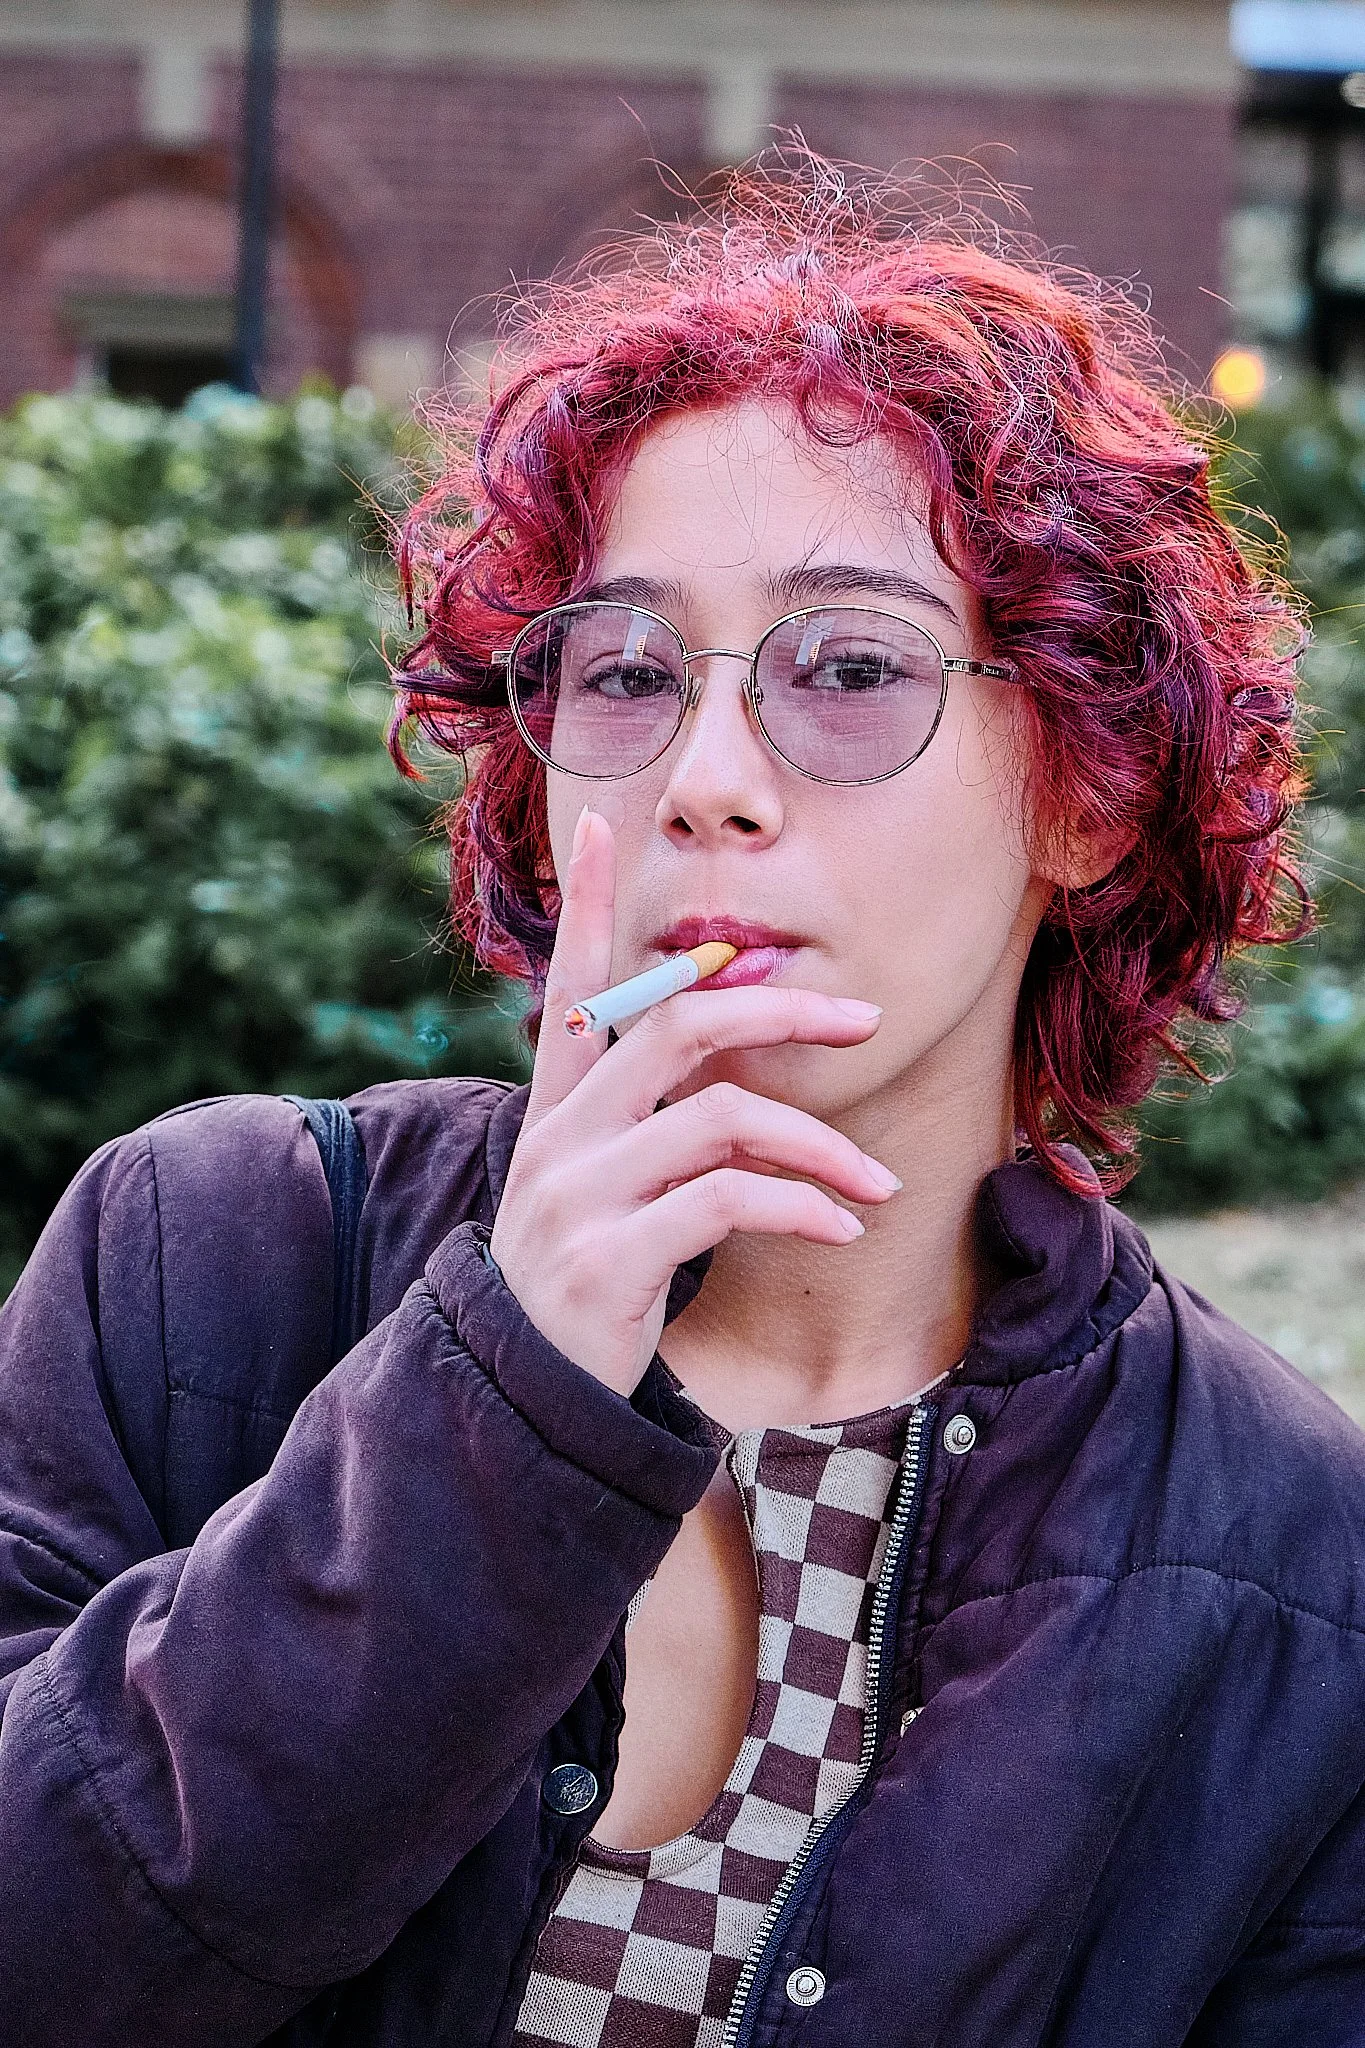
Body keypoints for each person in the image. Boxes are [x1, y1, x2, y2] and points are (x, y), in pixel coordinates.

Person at [2, 156, 1363, 2048]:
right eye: (631, 673)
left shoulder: (1302, 1573)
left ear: (1090, 794)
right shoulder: (203, 1268)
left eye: (852, 667)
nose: (710, 777)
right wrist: (508, 1383)